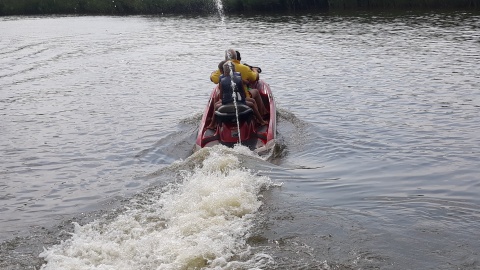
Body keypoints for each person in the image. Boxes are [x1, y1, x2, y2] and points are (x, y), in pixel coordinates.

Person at [206, 61, 267, 129]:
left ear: (223, 71)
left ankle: (212, 124)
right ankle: (261, 121)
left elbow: (221, 96)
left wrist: (222, 101)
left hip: (225, 105)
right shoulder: (239, 79)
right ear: (234, 70)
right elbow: (243, 94)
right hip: (239, 104)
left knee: (216, 105)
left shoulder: (222, 80)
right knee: (252, 103)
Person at [209, 49, 267, 116]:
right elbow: (254, 78)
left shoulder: (222, 69)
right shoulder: (244, 69)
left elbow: (213, 79)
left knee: (217, 94)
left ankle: (213, 122)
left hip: (226, 99)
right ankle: (262, 114)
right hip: (242, 98)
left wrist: (213, 73)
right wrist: (255, 71)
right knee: (256, 91)